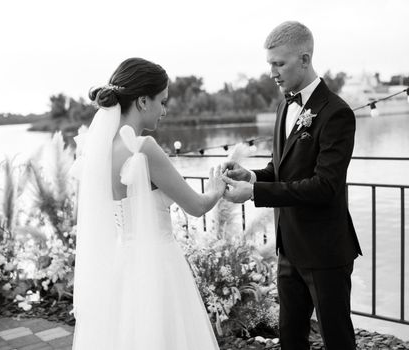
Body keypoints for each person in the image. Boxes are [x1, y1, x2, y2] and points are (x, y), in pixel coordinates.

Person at [222, 21, 362, 350]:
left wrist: (255, 194)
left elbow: (324, 186)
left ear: (304, 58)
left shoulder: (337, 113)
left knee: (337, 340)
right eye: (270, 63)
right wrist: (252, 177)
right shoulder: (285, 105)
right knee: (291, 338)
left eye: (279, 64)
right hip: (289, 247)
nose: (272, 72)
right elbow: (281, 168)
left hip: (325, 251)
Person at [71, 57, 224, 350]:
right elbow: (196, 205)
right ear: (143, 101)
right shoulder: (143, 148)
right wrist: (216, 189)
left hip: (123, 265)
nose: (164, 111)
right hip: (158, 265)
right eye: (162, 101)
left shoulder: (100, 150)